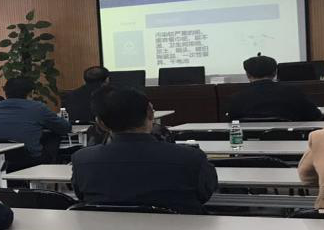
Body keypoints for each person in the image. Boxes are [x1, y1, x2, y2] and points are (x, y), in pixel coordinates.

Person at [71, 87, 217, 213]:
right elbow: (205, 193)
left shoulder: (82, 160)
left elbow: (81, 196)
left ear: (100, 124)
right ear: (150, 113)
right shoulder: (191, 158)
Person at [0, 77, 72, 162]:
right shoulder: (37, 108)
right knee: (54, 136)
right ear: (31, 93)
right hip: (28, 159)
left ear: (5, 92)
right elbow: (65, 128)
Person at [223, 54, 322, 121]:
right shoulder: (293, 92)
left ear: (248, 75)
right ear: (275, 73)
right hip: (288, 140)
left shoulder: (237, 98)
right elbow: (314, 115)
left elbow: (232, 121)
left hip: (248, 142)